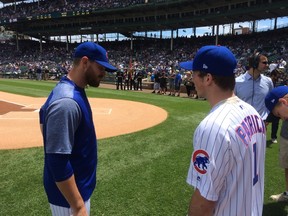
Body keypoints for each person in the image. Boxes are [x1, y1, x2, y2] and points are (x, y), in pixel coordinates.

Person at [180, 45, 266, 216]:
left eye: (195, 74)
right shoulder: (253, 113)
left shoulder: (212, 127)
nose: (191, 79)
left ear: (208, 78)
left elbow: (204, 200)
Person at [39, 41, 117, 216]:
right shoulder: (67, 102)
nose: (103, 74)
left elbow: (43, 121)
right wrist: (78, 205)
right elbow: (57, 161)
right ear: (84, 62)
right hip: (69, 201)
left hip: (73, 193)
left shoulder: (71, 89)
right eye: (101, 68)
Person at [234, 52, 273, 122]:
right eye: (264, 62)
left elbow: (270, 101)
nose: (267, 65)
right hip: (242, 123)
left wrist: (267, 117)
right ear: (255, 63)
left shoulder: (268, 81)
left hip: (261, 124)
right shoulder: (237, 82)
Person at [265, 86, 288, 202]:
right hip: (286, 135)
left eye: (279, 114)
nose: (281, 118)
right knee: (287, 164)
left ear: (283, 102)